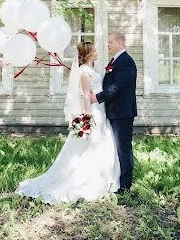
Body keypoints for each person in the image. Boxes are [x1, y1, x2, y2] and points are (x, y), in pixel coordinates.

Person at [15, 41, 120, 204]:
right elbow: (85, 95)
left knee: (103, 141)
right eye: (95, 50)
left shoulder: (91, 69)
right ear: (88, 53)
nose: (97, 51)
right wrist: (87, 116)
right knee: (91, 143)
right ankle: (86, 179)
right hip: (93, 110)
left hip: (101, 108)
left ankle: (104, 176)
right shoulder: (84, 72)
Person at [91, 32, 137, 195]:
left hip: (123, 112)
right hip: (114, 112)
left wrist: (96, 98)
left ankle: (125, 187)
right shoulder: (115, 61)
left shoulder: (126, 62)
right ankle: (118, 180)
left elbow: (117, 86)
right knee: (117, 147)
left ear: (120, 43)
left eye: (110, 42)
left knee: (124, 148)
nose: (108, 45)